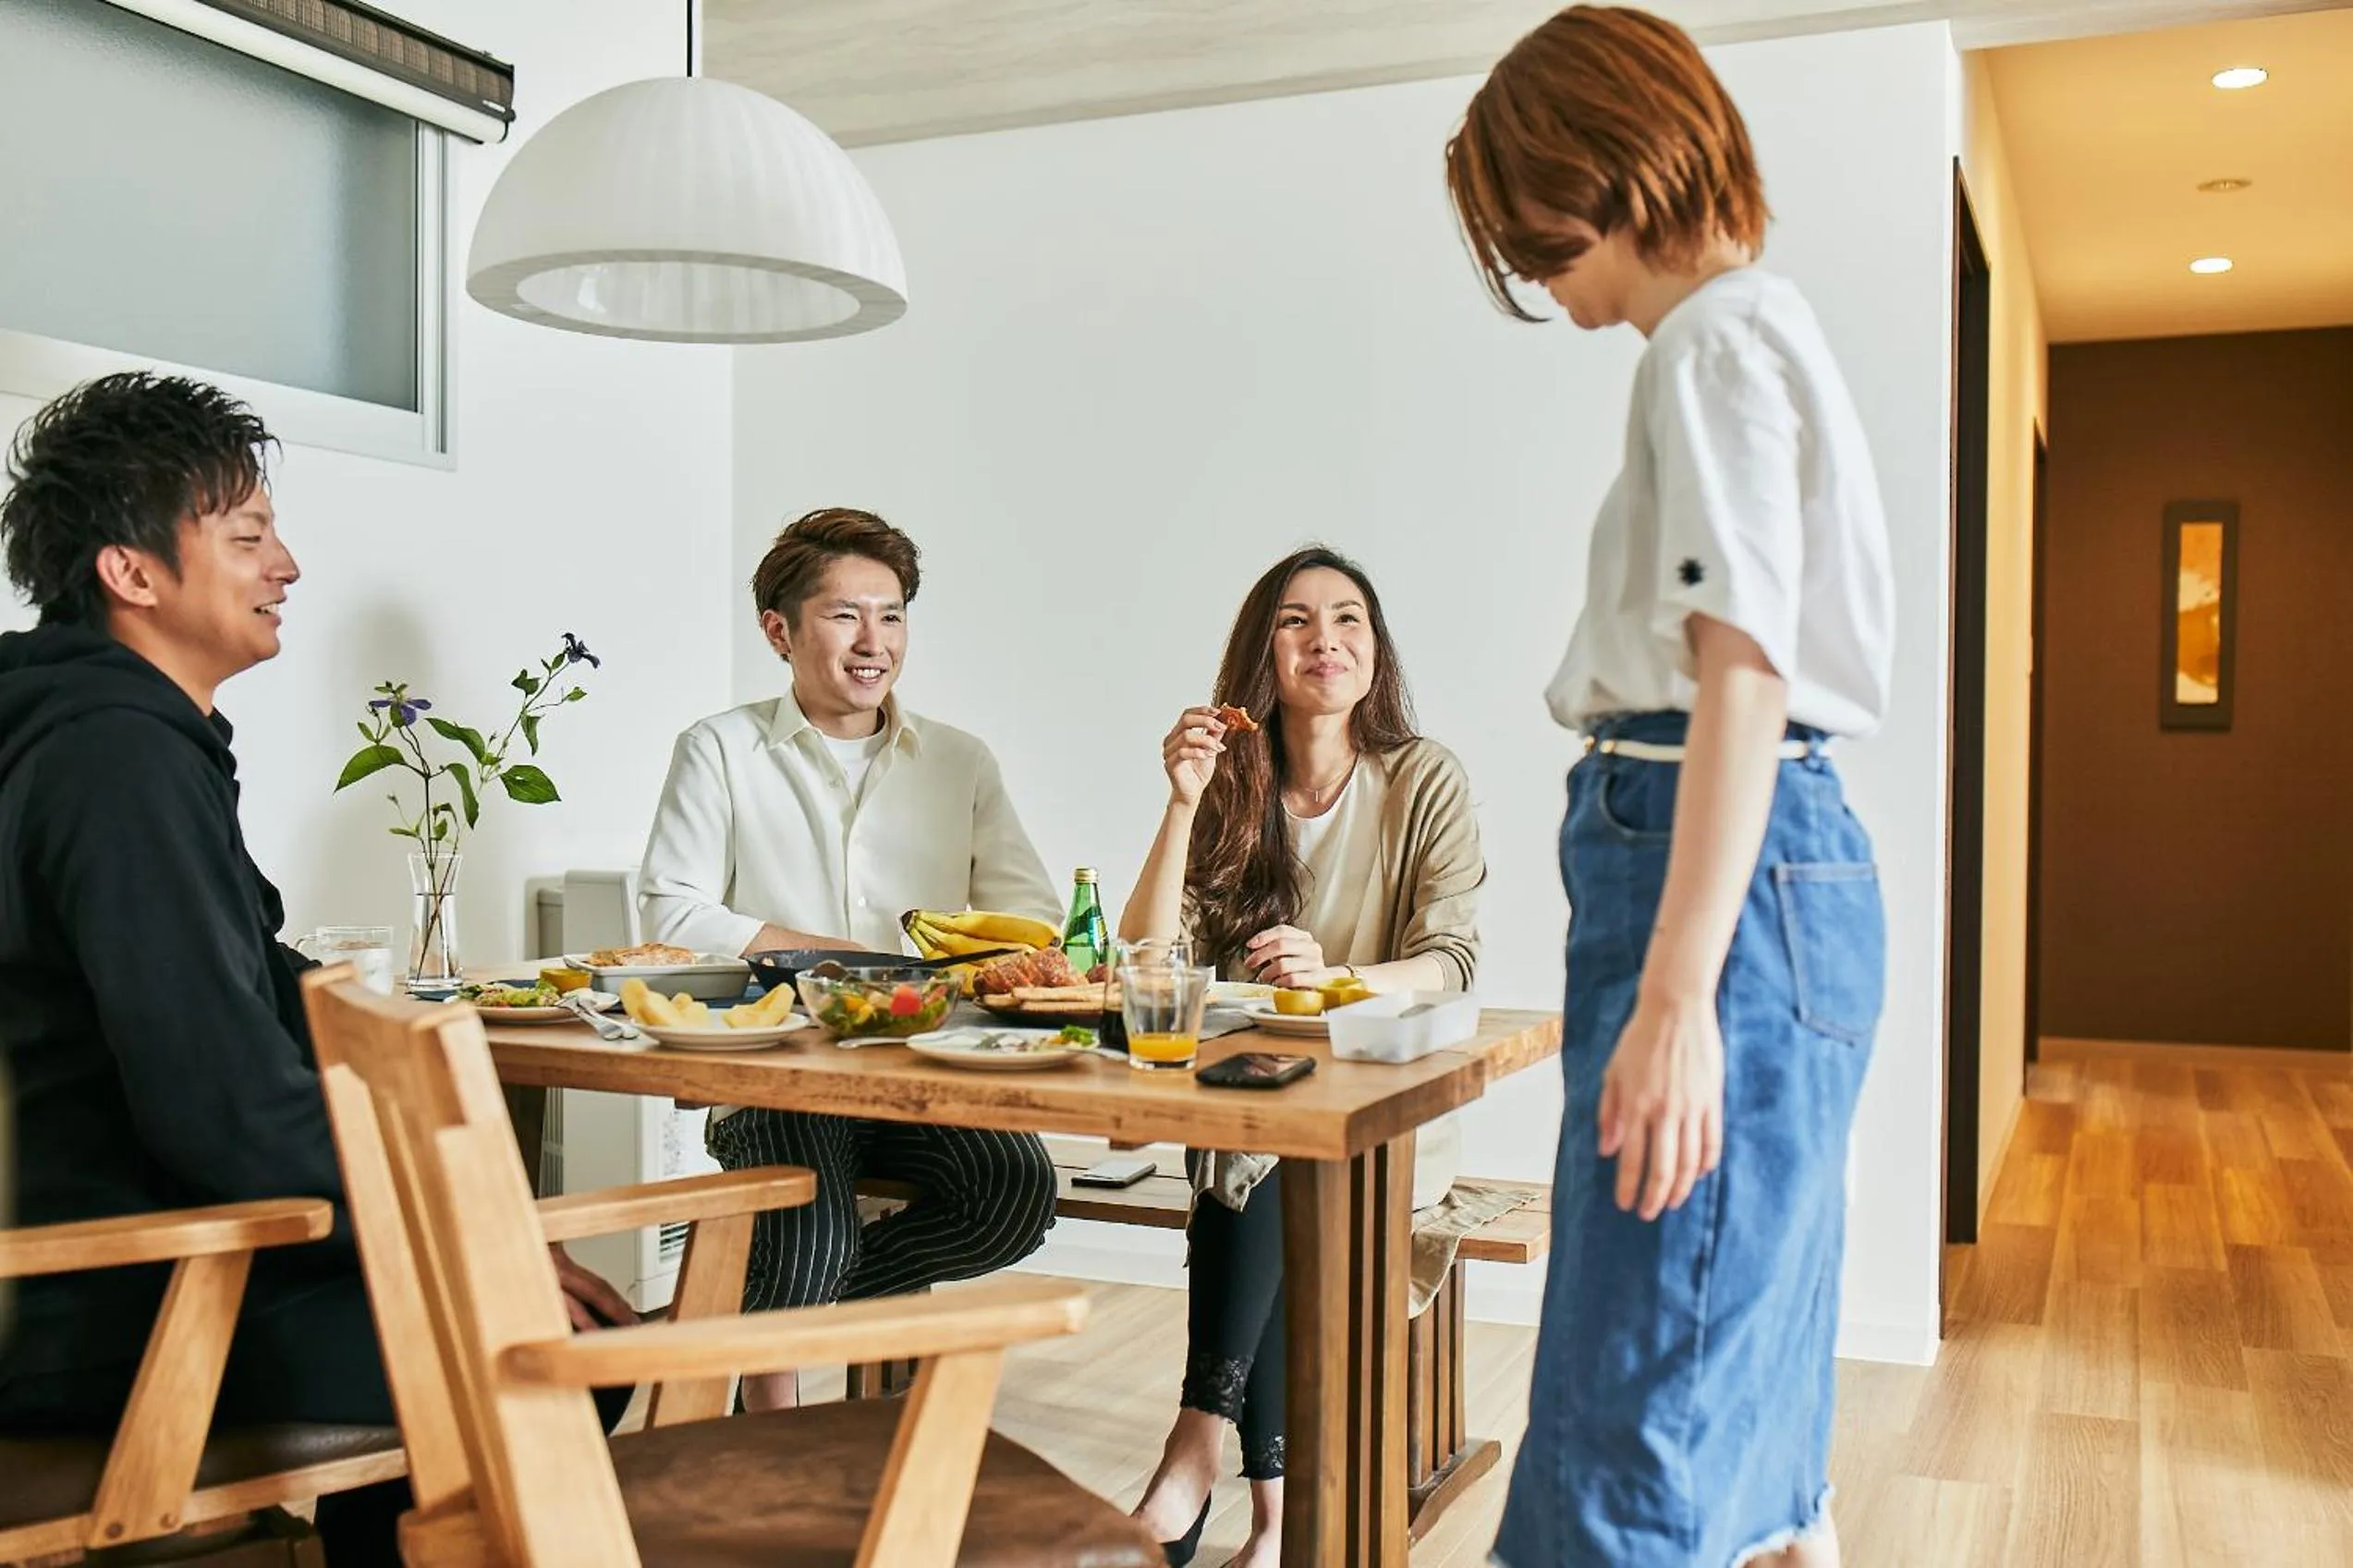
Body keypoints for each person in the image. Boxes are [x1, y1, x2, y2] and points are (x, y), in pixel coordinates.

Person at [0, 373, 636, 1566]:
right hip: (120, 1299)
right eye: (247, 537)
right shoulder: (116, 765)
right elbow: (223, 1109)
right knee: (564, 1352)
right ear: (129, 574)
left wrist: (374, 1029)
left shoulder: (92, 737)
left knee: (528, 1302)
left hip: (96, 1269)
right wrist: (472, 1229)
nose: (284, 565)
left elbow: (237, 971)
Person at [1445, 8, 1896, 1565]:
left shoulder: (1708, 342)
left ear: (1588, 174)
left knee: (1637, 1382)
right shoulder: (1768, 331)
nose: (1524, 271)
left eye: (1518, 231)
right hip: (1794, 866)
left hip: (1716, 867)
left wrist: (1677, 993)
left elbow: (1742, 668)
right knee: (1745, 1364)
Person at [639, 505, 1061, 1412]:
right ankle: (773, 1427)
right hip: (782, 1065)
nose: (873, 641)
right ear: (778, 630)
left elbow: (1030, 912)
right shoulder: (719, 747)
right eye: (843, 614)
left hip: (931, 1059)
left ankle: (800, 1329)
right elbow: (671, 908)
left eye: (892, 613)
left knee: (1013, 1195)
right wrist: (845, 960)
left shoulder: (960, 760)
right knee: (805, 1237)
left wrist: (961, 968)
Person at [1119, 546, 1484, 1568]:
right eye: (1293, 619)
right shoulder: (1232, 782)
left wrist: (1334, 977)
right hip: (1247, 1105)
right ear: (1260, 652)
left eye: (1347, 618)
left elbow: (1451, 961)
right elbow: (1150, 962)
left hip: (1386, 1108)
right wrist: (1181, 798)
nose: (1323, 637)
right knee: (1263, 1154)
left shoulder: (1422, 779)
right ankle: (1278, 1526)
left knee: (1281, 1163)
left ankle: (1189, 1457)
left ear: (1375, 650)